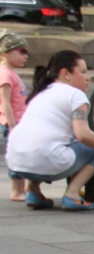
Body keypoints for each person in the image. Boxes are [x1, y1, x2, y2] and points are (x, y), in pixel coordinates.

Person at [4, 50, 94, 210]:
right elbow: (83, 135)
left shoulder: (42, 92)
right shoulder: (76, 96)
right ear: (65, 73)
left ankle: (33, 190)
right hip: (47, 162)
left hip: (15, 163)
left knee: (46, 142)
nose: (87, 77)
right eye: (82, 72)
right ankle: (72, 194)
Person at [1, 31, 30, 203]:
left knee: (21, 155)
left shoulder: (10, 72)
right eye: (21, 51)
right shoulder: (5, 74)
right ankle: (16, 190)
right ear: (6, 52)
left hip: (20, 123)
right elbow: (5, 102)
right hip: (13, 123)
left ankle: (22, 188)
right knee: (16, 156)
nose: (25, 56)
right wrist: (12, 126)